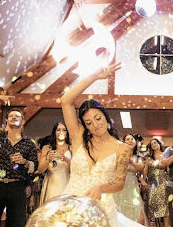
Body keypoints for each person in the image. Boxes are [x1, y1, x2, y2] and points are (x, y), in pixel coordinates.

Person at [60, 62, 143, 227]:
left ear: (105, 117)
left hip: (102, 208)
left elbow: (119, 183)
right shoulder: (78, 137)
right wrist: (94, 76)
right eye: (89, 122)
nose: (95, 125)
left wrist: (101, 188)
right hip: (72, 206)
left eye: (98, 118)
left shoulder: (123, 148)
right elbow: (65, 101)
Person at [0, 96, 38, 227]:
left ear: (23, 122)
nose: (14, 117)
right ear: (6, 120)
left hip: (16, 188)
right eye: (11, 116)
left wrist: (25, 162)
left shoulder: (29, 143)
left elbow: (34, 165)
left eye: (17, 116)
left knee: (17, 223)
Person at [114, 134, 145, 222]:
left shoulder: (138, 157)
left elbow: (140, 167)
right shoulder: (118, 155)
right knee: (120, 211)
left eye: (132, 139)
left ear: (135, 143)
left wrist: (131, 162)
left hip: (132, 187)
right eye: (127, 139)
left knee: (140, 216)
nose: (130, 141)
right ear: (123, 142)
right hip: (120, 185)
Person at [38, 123, 71, 203]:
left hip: (67, 181)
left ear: (67, 132)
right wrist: (48, 160)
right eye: (58, 130)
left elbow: (77, 168)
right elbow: (40, 170)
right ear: (54, 132)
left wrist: (65, 159)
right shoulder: (47, 148)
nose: (61, 132)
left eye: (64, 130)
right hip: (52, 182)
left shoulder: (71, 147)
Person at [145, 138, 173, 227]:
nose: (154, 144)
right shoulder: (148, 157)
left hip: (163, 185)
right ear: (150, 146)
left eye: (155, 142)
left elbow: (168, 169)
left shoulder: (165, 155)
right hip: (152, 186)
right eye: (152, 144)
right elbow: (144, 171)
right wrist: (143, 181)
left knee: (165, 211)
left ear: (159, 143)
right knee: (151, 211)